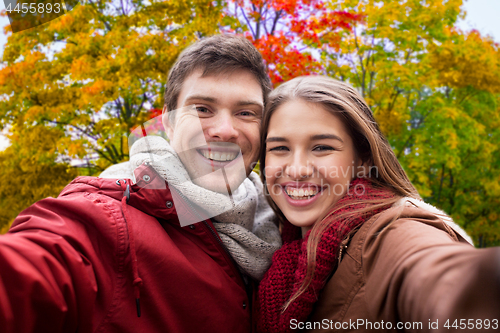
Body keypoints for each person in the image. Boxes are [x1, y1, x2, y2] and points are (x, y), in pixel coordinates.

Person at [0, 34, 282, 333]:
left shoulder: (285, 225)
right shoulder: (110, 221)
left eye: (245, 113)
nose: (225, 130)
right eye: (202, 108)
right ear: (168, 123)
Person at [256, 76, 500, 332]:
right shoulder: (277, 247)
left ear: (363, 159)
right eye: (280, 148)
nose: (297, 169)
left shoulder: (389, 232)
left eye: (322, 147)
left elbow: (434, 272)